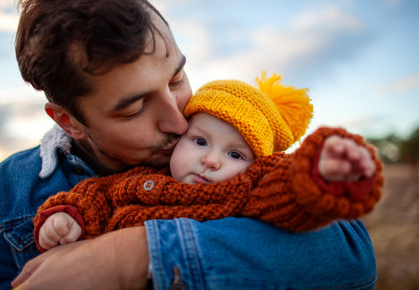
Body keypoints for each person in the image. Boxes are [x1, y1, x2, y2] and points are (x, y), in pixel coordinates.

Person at [0, 0, 382, 289]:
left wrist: (133, 255)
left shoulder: (238, 157)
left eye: (177, 78)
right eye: (134, 108)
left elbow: (350, 256)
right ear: (69, 121)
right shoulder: (6, 191)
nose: (178, 121)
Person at [34, 72, 382, 252]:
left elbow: (287, 194)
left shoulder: (244, 191)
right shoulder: (140, 176)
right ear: (180, 137)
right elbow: (96, 194)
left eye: (235, 154)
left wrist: (321, 173)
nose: (211, 161)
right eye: (199, 141)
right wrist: (68, 217)